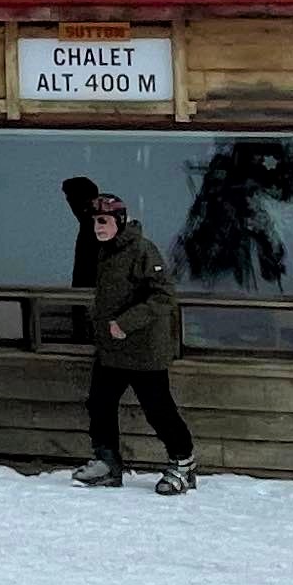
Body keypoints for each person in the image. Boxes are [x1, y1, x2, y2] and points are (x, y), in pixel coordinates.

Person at [73, 190, 199, 493]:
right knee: (100, 403)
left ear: (119, 220)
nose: (98, 227)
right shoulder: (105, 251)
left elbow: (163, 295)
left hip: (144, 350)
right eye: (94, 223)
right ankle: (107, 462)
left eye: (103, 221)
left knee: (158, 409)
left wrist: (126, 323)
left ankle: (184, 463)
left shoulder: (142, 250)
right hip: (111, 349)